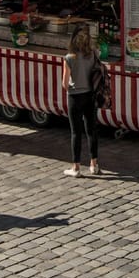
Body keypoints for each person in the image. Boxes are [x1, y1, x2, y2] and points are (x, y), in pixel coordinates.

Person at [61, 26, 101, 174]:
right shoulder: (93, 54)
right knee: (91, 130)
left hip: (75, 96)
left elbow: (65, 84)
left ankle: (76, 167)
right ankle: (94, 165)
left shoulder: (69, 58)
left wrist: (72, 85)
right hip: (90, 94)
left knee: (75, 132)